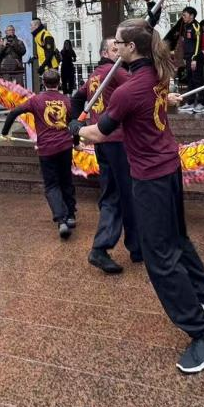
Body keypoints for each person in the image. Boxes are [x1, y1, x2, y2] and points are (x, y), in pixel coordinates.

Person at [72, 18, 204, 374]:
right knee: (177, 237)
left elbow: (98, 133)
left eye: (120, 44)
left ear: (131, 48)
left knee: (160, 258)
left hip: (151, 176)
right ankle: (203, 295)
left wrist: (76, 128)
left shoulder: (127, 91)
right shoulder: (157, 73)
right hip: (168, 166)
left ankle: (203, 334)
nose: (115, 48)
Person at [72, 36, 141, 274]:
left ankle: (130, 247)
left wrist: (76, 122)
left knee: (112, 194)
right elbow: (141, 88)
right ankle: (123, 247)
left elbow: (77, 97)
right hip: (118, 141)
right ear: (105, 52)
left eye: (119, 47)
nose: (119, 51)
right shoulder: (116, 72)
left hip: (102, 142)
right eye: (115, 48)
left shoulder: (94, 76)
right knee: (126, 194)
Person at [1, 69, 76, 238]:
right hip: (65, 146)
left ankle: (61, 220)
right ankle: (71, 215)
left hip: (46, 149)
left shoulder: (36, 100)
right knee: (66, 180)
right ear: (60, 83)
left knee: (51, 185)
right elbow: (74, 124)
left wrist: (5, 132)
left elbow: (14, 112)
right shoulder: (66, 100)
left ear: (43, 83)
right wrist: (76, 143)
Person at [167, 7, 204, 112]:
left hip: (195, 58)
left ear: (192, 16)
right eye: (182, 15)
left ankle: (201, 103)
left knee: (198, 80)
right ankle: (190, 102)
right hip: (188, 58)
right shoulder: (186, 26)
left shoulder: (196, 26)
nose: (182, 17)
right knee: (190, 80)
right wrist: (184, 58)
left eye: (185, 15)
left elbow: (198, 44)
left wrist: (194, 58)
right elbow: (186, 44)